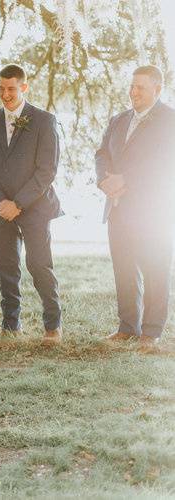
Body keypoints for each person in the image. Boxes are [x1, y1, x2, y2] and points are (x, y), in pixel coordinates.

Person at [0, 64, 63, 345]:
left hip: (35, 207)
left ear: (24, 87)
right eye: (1, 88)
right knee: (6, 270)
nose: (5, 94)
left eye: (11, 88)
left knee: (39, 265)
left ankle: (53, 325)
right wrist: (1, 202)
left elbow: (47, 170)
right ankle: (11, 325)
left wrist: (19, 203)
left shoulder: (44, 120)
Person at [95, 65, 175, 351]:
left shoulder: (170, 120)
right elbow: (102, 153)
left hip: (154, 211)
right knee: (124, 269)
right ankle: (128, 328)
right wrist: (104, 179)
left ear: (157, 89)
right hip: (117, 207)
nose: (134, 92)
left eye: (140, 87)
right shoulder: (119, 120)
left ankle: (151, 332)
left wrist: (126, 178)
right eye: (132, 86)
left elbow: (166, 164)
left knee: (155, 269)